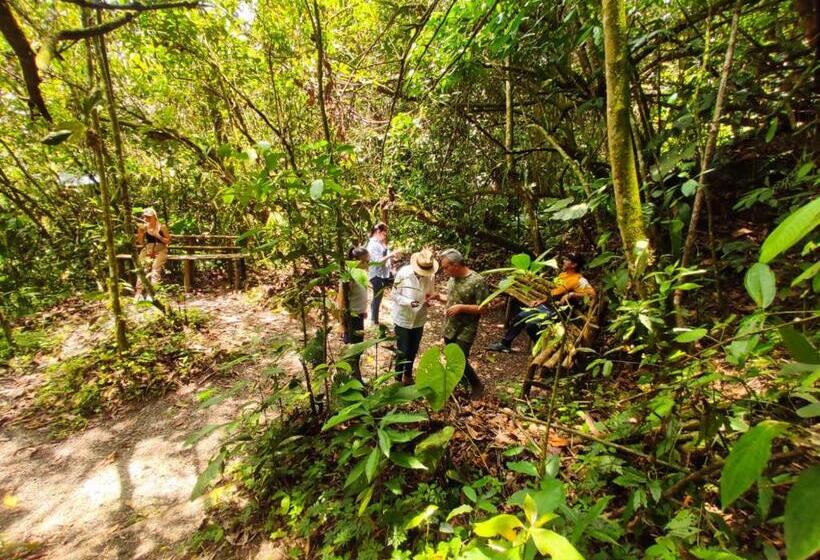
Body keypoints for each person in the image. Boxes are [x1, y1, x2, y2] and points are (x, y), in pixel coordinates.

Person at [488, 253, 595, 352]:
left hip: (559, 312)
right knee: (520, 316)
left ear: (574, 264)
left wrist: (571, 294)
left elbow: (592, 294)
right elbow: (553, 293)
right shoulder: (563, 275)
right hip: (547, 306)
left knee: (532, 324)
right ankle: (505, 344)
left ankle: (542, 350)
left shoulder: (579, 279)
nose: (564, 261)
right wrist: (540, 301)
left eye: (567, 260)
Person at [427, 248, 487, 399]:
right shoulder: (452, 279)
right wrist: (438, 297)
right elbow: (453, 300)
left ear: (456, 265)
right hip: (450, 326)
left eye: (446, 267)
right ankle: (461, 386)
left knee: (460, 359)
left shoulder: (477, 281)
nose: (444, 270)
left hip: (467, 328)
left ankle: (477, 385)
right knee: (452, 359)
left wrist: (461, 308)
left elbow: (484, 308)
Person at [391, 248, 437, 385]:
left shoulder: (431, 276)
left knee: (413, 349)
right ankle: (397, 378)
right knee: (402, 350)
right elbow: (394, 295)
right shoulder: (403, 273)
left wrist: (428, 301)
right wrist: (408, 302)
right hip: (403, 317)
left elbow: (429, 293)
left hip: (419, 319)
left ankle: (408, 375)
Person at [338, 246, 370, 381]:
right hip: (351, 319)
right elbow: (341, 301)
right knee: (353, 351)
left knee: (358, 349)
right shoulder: (349, 276)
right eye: (366, 261)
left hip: (359, 316)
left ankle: (356, 378)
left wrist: (363, 310)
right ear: (356, 261)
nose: (368, 264)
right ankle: (352, 379)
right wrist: (342, 323)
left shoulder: (361, 274)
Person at [134, 207, 171, 302]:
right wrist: (141, 234)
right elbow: (141, 243)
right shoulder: (144, 227)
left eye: (149, 217)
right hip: (148, 249)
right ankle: (139, 293)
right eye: (145, 217)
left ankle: (152, 293)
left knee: (155, 268)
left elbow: (168, 241)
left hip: (161, 249)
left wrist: (157, 235)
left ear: (154, 217)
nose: (147, 219)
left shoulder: (161, 227)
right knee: (142, 268)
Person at [366, 222, 395, 326]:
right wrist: (390, 255)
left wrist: (392, 256)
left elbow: (386, 256)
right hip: (376, 274)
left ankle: (375, 318)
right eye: (384, 233)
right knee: (377, 296)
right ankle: (374, 320)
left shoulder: (380, 243)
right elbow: (377, 261)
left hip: (384, 273)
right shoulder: (372, 245)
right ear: (378, 232)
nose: (385, 236)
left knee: (380, 295)